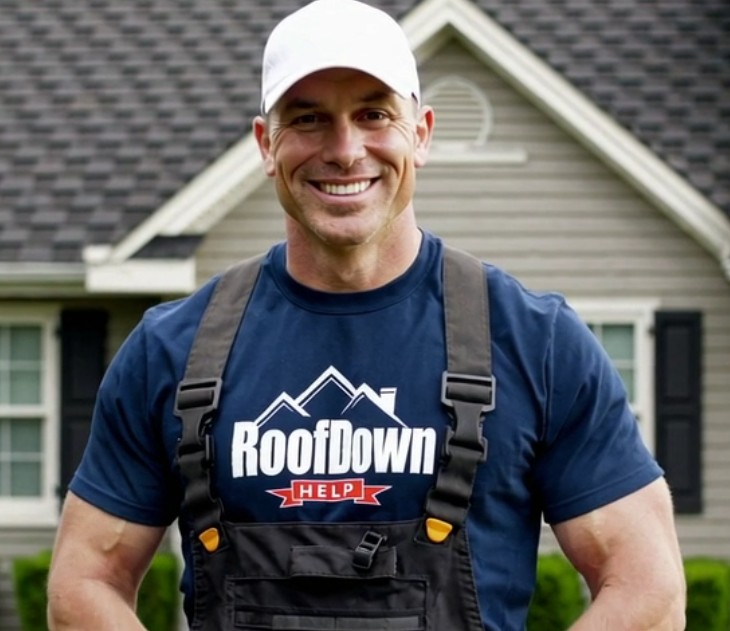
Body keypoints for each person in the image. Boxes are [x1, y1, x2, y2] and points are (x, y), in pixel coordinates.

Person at [47, 0, 686, 629]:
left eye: (374, 114)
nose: (345, 149)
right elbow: (83, 584)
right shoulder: (172, 351)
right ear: (266, 145)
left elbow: (649, 592)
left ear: (422, 133)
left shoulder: (534, 342)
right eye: (308, 119)